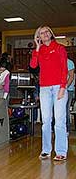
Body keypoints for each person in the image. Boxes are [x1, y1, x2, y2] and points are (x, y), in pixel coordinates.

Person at [30, 25, 68, 161]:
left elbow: (64, 68)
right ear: (38, 37)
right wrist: (37, 48)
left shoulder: (59, 48)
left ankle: (61, 151)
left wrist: (63, 87)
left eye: (47, 32)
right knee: (46, 121)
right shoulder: (39, 50)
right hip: (44, 88)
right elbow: (33, 65)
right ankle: (46, 150)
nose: (45, 34)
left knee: (59, 121)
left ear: (51, 34)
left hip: (59, 87)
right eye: (41, 33)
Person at [66, 58, 75, 132]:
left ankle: (67, 129)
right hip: (58, 89)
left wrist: (64, 87)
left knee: (65, 109)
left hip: (68, 90)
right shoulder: (57, 61)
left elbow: (71, 77)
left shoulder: (69, 62)